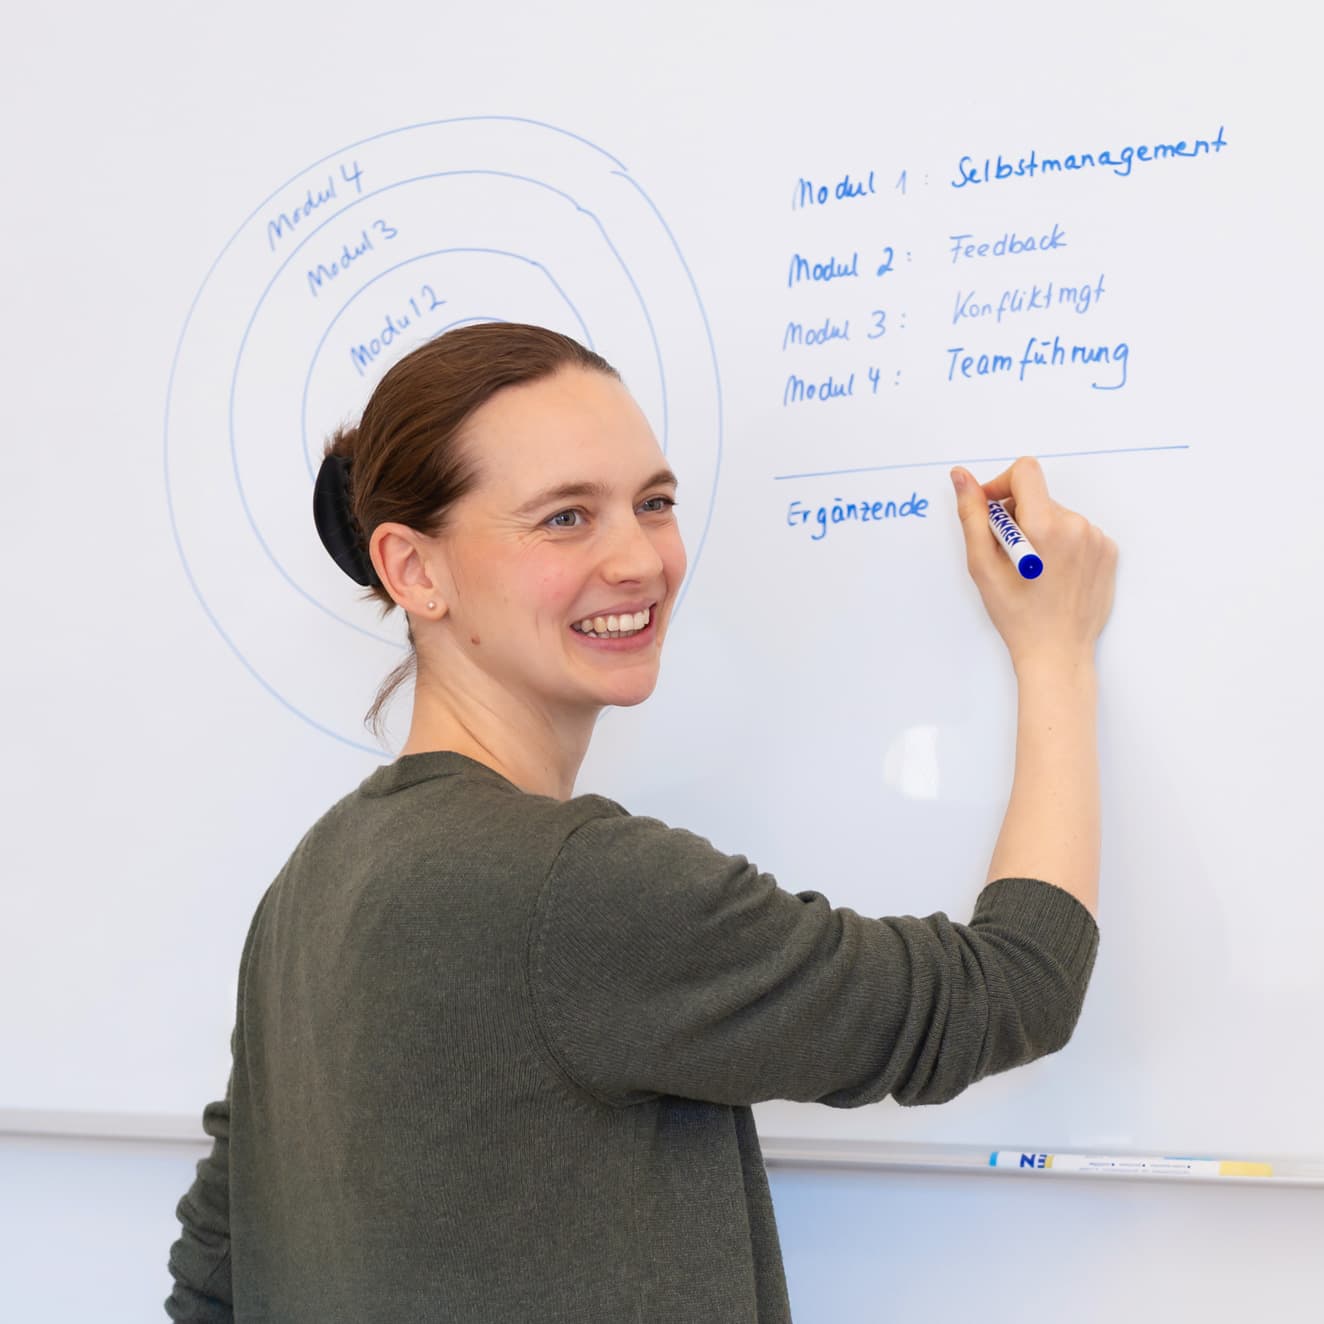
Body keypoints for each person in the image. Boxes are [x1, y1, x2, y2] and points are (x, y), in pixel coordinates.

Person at [165, 322, 1115, 1322]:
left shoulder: (310, 883)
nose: (638, 558)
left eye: (652, 503)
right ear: (414, 570)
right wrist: (1056, 651)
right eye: (565, 517)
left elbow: (217, 1276)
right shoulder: (576, 885)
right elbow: (1011, 988)